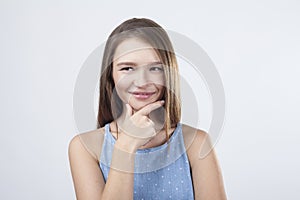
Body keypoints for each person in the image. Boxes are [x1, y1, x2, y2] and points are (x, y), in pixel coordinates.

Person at [69, 17, 227, 200]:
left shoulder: (196, 144)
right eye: (127, 68)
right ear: (110, 75)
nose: (142, 82)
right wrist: (126, 145)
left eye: (155, 69)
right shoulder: (85, 148)